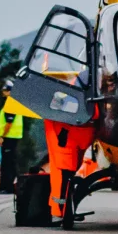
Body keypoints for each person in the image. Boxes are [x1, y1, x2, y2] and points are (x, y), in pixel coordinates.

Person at [46, 68, 98, 223]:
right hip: (65, 136)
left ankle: (61, 210)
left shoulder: (77, 92)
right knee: (63, 173)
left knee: (67, 172)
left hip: (71, 134)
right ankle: (59, 212)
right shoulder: (73, 97)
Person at [0, 81, 24, 194]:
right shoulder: (14, 103)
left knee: (7, 164)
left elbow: (9, 123)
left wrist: (2, 136)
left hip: (9, 137)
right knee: (9, 163)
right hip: (13, 137)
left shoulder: (11, 103)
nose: (3, 92)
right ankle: (6, 187)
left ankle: (7, 187)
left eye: (6, 90)